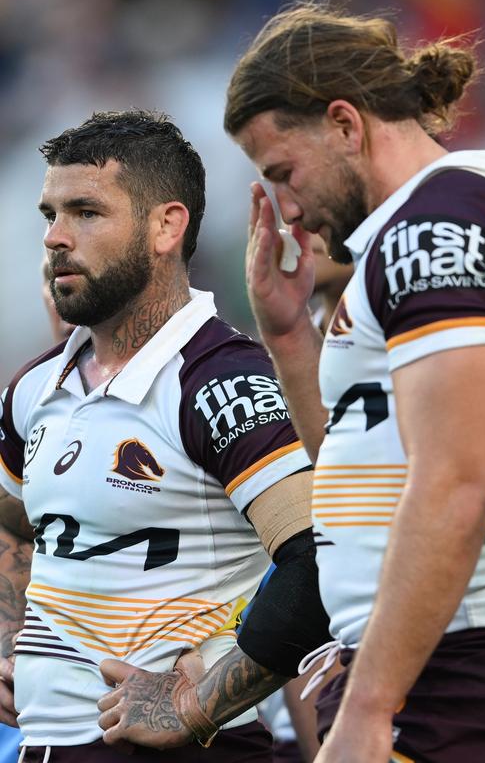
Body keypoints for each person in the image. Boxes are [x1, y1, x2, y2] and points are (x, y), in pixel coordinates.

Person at [100, 4, 485, 762]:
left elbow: (454, 485)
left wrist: (371, 700)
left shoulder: (432, 234)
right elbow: (370, 470)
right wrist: (292, 339)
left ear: (344, 123)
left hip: (452, 673)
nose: (287, 207)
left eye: (283, 172)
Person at [0, 110, 330, 761]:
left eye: (86, 213)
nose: (56, 238)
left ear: (166, 226)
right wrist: (8, 631)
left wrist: (199, 706)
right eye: (50, 216)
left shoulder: (221, 382)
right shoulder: (35, 385)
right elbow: (12, 519)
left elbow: (323, 557)